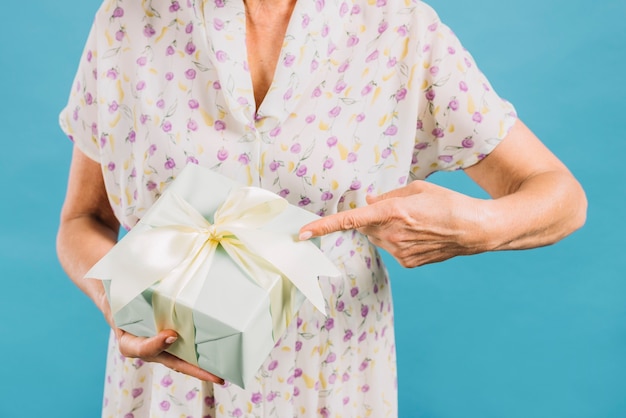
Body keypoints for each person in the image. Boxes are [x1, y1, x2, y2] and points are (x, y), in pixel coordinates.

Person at [56, 0, 587, 416]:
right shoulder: (126, 20)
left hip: (330, 376)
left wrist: (479, 226)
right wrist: (116, 304)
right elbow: (82, 221)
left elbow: (562, 196)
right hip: (169, 381)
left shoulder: (400, 28)